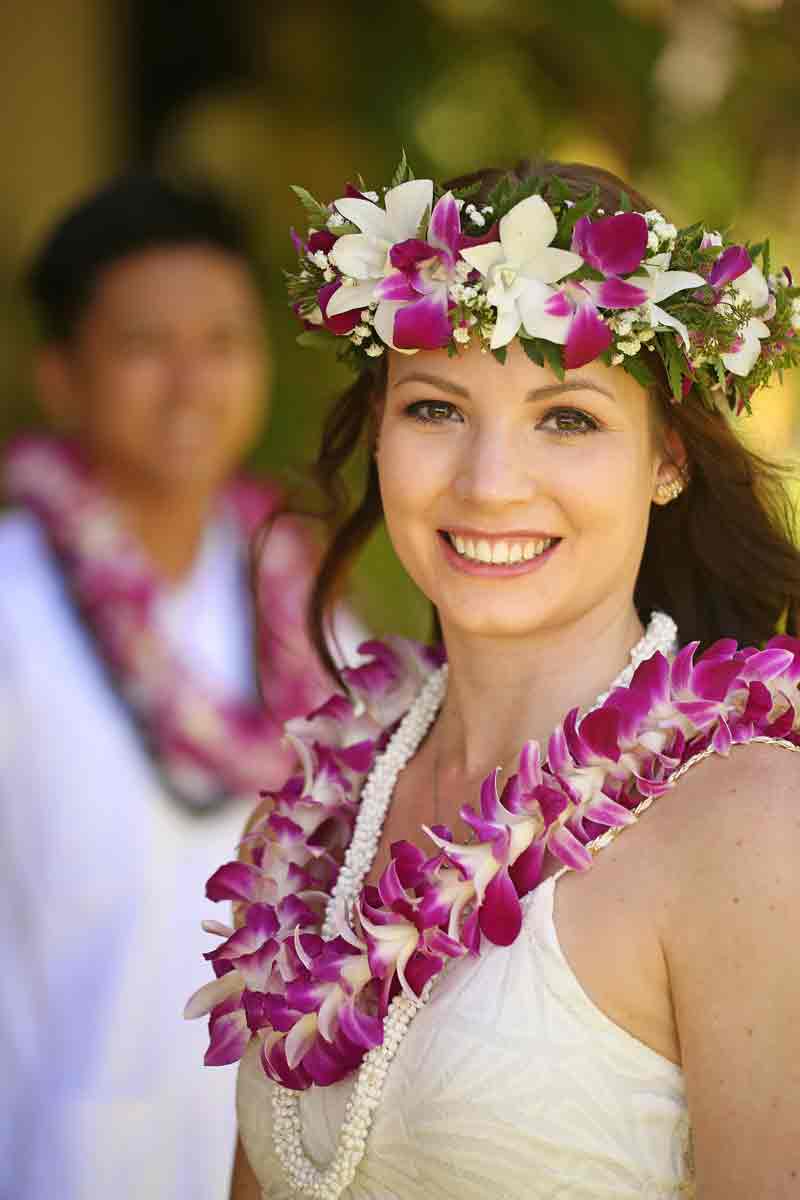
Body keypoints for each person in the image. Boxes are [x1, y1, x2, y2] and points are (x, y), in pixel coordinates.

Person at [188, 158, 800, 1199]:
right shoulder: (311, 816)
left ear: (665, 460)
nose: (487, 484)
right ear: (378, 427)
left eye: (566, 418)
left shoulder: (748, 828)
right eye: (434, 410)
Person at [0, 175, 355, 1200]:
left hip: (268, 1164)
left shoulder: (311, 606)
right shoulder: (12, 608)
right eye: (148, 345)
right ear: (61, 377)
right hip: (53, 1156)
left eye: (224, 342)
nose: (193, 381)